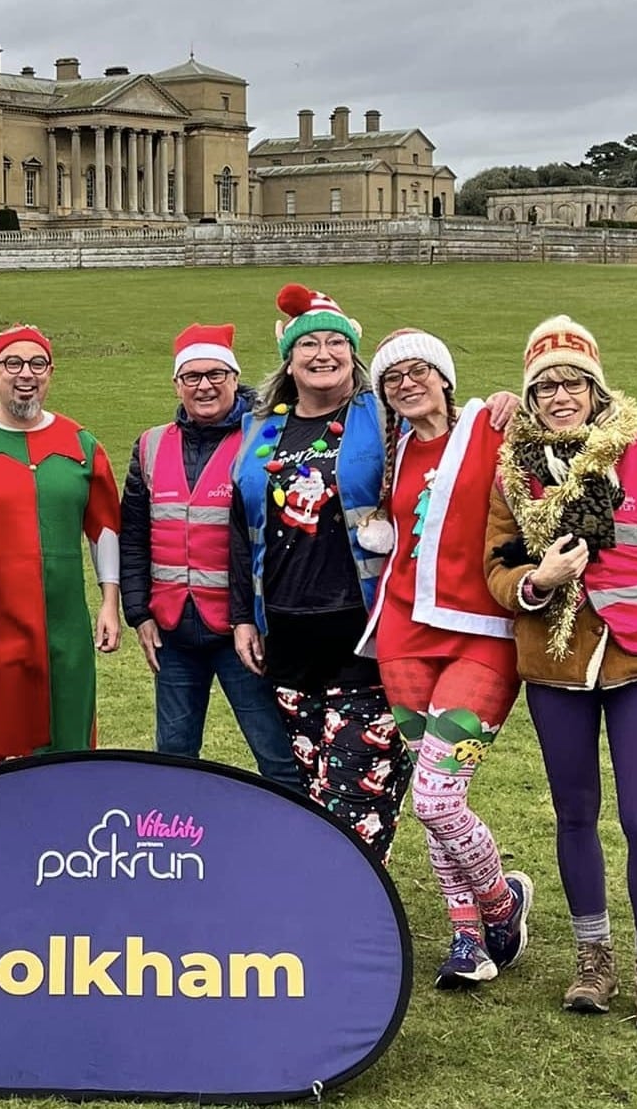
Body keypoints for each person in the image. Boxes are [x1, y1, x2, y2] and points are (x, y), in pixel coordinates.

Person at [359, 327, 637, 990]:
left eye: (419, 371)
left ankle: (500, 904)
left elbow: (598, 448)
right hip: (407, 641)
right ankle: (467, 935)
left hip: (485, 641)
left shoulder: (498, 429)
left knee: (435, 796)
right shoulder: (389, 450)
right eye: (392, 377)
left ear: (447, 377)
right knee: (436, 792)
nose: (407, 383)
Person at [486, 316, 637, 1031]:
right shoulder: (513, 470)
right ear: (530, 397)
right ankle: (593, 957)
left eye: (573, 382)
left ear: (595, 387)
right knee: (574, 814)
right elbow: (495, 568)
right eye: (546, 385)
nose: (561, 395)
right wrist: (537, 579)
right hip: (556, 663)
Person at [229, 285, 410, 863]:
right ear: (289, 358)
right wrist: (242, 618)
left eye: (336, 341)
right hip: (286, 630)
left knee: (356, 796)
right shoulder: (260, 428)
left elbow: (445, 426)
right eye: (309, 343)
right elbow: (239, 531)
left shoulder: (380, 415)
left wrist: (500, 404)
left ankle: (354, 920)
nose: (323, 353)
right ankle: (499, 903)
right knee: (309, 789)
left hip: (362, 630)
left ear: (352, 355)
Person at [0, 324, 121, 775]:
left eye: (37, 364)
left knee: (66, 731)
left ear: (50, 373)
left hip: (63, 623)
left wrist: (109, 602)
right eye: (12, 364)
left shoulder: (79, 444)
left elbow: (104, 528)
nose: (25, 374)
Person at [119, 323, 299, 789]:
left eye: (216, 374)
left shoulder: (264, 439)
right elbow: (134, 535)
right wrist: (138, 612)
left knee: (276, 756)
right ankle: (180, 844)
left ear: (235, 378)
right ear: (177, 384)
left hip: (241, 630)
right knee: (175, 757)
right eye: (192, 376)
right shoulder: (151, 444)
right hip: (174, 629)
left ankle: (301, 844)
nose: (205, 386)